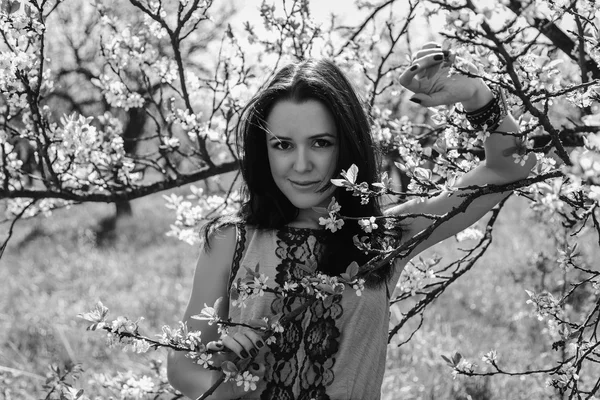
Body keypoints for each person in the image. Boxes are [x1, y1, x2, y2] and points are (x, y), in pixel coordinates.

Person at [166, 43, 535, 399]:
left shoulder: (384, 237)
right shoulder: (231, 240)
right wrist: (221, 381)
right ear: (264, 150)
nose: (301, 165)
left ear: (347, 144)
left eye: (321, 143)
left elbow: (510, 168)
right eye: (283, 145)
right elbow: (182, 364)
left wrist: (476, 96)